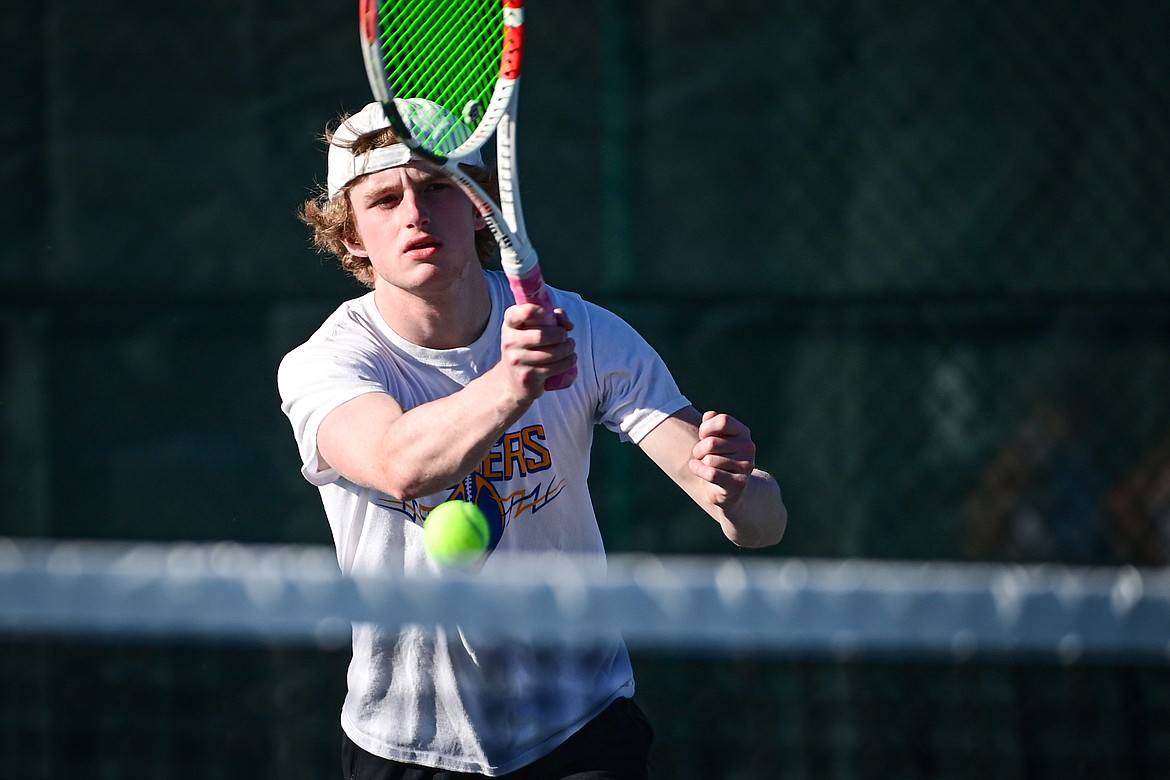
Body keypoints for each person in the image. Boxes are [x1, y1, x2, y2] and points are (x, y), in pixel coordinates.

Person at [278, 100, 787, 779]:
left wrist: (734, 489)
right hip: (406, 740)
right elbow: (398, 464)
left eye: (437, 188)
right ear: (351, 238)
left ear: (480, 205)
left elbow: (761, 526)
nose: (414, 214)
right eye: (384, 199)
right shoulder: (326, 363)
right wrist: (512, 385)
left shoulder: (585, 331)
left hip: (580, 730)